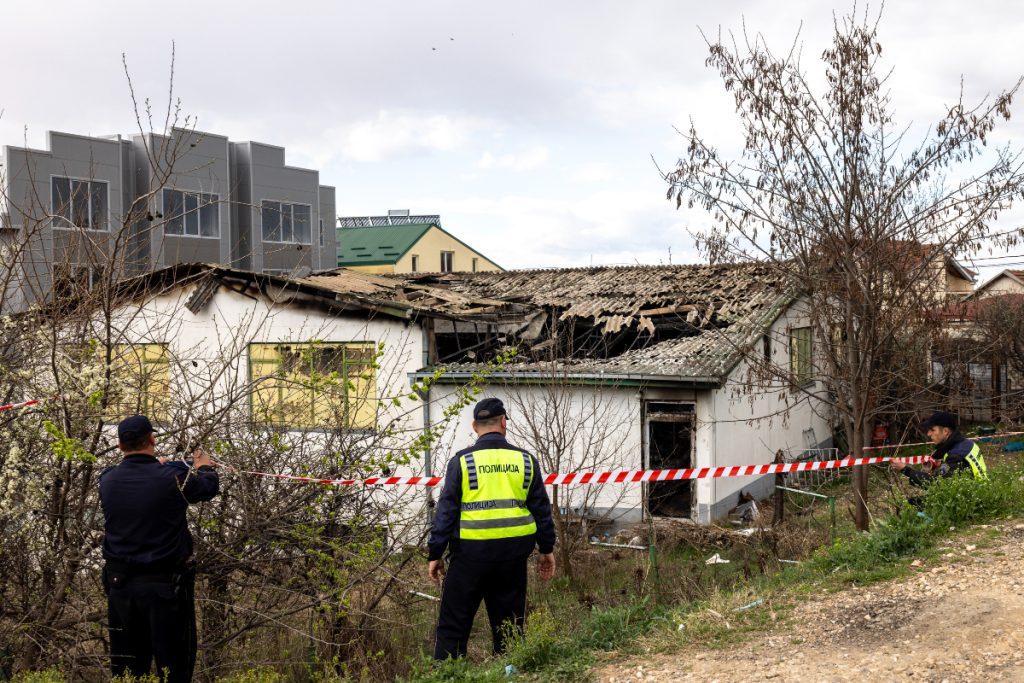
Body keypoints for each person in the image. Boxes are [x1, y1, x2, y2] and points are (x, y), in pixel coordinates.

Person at [427, 398, 557, 660]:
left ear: (475, 426)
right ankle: (509, 673)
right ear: (503, 422)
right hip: (512, 556)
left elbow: (447, 511)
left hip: (469, 556)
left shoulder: (462, 461)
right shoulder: (526, 461)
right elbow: (541, 509)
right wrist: (546, 549)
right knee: (509, 626)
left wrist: (435, 552)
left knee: (454, 625)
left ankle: (448, 676)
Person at [98, 415, 220, 682]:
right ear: (152, 439)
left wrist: (162, 467)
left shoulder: (106, 480)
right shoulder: (172, 477)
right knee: (174, 668)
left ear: (120, 445)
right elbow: (208, 488)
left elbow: (141, 481)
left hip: (121, 589)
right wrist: (204, 466)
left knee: (128, 670)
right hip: (165, 590)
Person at [890, 410, 988, 492]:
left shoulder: (956, 455)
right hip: (979, 491)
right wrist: (939, 463)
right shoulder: (967, 443)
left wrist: (904, 469)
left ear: (945, 431)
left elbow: (935, 484)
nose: (928, 434)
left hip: (973, 501)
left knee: (912, 505)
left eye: (932, 430)